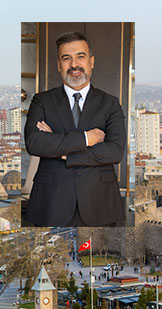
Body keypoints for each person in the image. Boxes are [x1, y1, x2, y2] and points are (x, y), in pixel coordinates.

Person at [24, 31, 126, 227]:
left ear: (91, 61)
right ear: (58, 64)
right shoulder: (42, 101)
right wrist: (87, 138)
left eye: (80, 56)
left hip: (100, 202)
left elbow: (115, 151)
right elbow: (35, 143)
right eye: (66, 58)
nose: (74, 65)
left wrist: (63, 151)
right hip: (51, 202)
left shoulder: (110, 103)